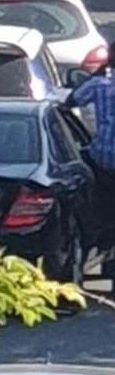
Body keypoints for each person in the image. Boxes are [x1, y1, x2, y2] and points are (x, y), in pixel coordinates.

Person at [70, 60, 115, 246]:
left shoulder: (99, 86)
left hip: (103, 158)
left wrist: (99, 72)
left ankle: (100, 236)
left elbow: (71, 100)